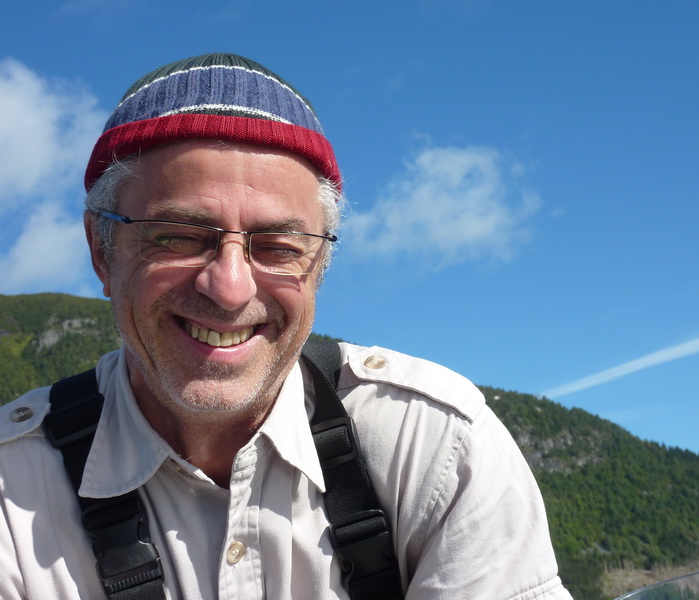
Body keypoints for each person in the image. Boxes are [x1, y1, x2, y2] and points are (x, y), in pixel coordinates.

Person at [0, 53, 572, 599]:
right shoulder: (11, 487)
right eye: (177, 236)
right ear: (102, 251)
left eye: (278, 247)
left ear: (320, 267)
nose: (229, 288)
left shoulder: (437, 446)